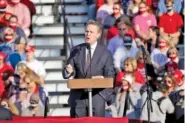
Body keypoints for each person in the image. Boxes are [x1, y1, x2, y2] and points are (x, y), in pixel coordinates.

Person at [62, 20, 115, 117]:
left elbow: (110, 75)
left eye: (91, 32)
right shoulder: (76, 50)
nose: (88, 34)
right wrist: (68, 71)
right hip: (78, 97)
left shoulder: (105, 53)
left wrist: (102, 79)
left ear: (98, 35)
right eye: (86, 31)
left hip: (97, 96)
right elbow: (67, 71)